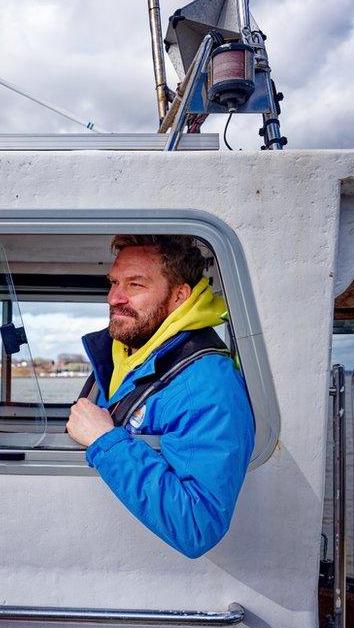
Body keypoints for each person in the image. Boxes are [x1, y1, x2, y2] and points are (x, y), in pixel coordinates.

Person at [66, 235, 254, 559]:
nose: (114, 298)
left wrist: (104, 439)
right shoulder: (132, 351)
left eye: (135, 285)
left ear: (180, 295)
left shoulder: (206, 384)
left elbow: (198, 523)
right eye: (113, 283)